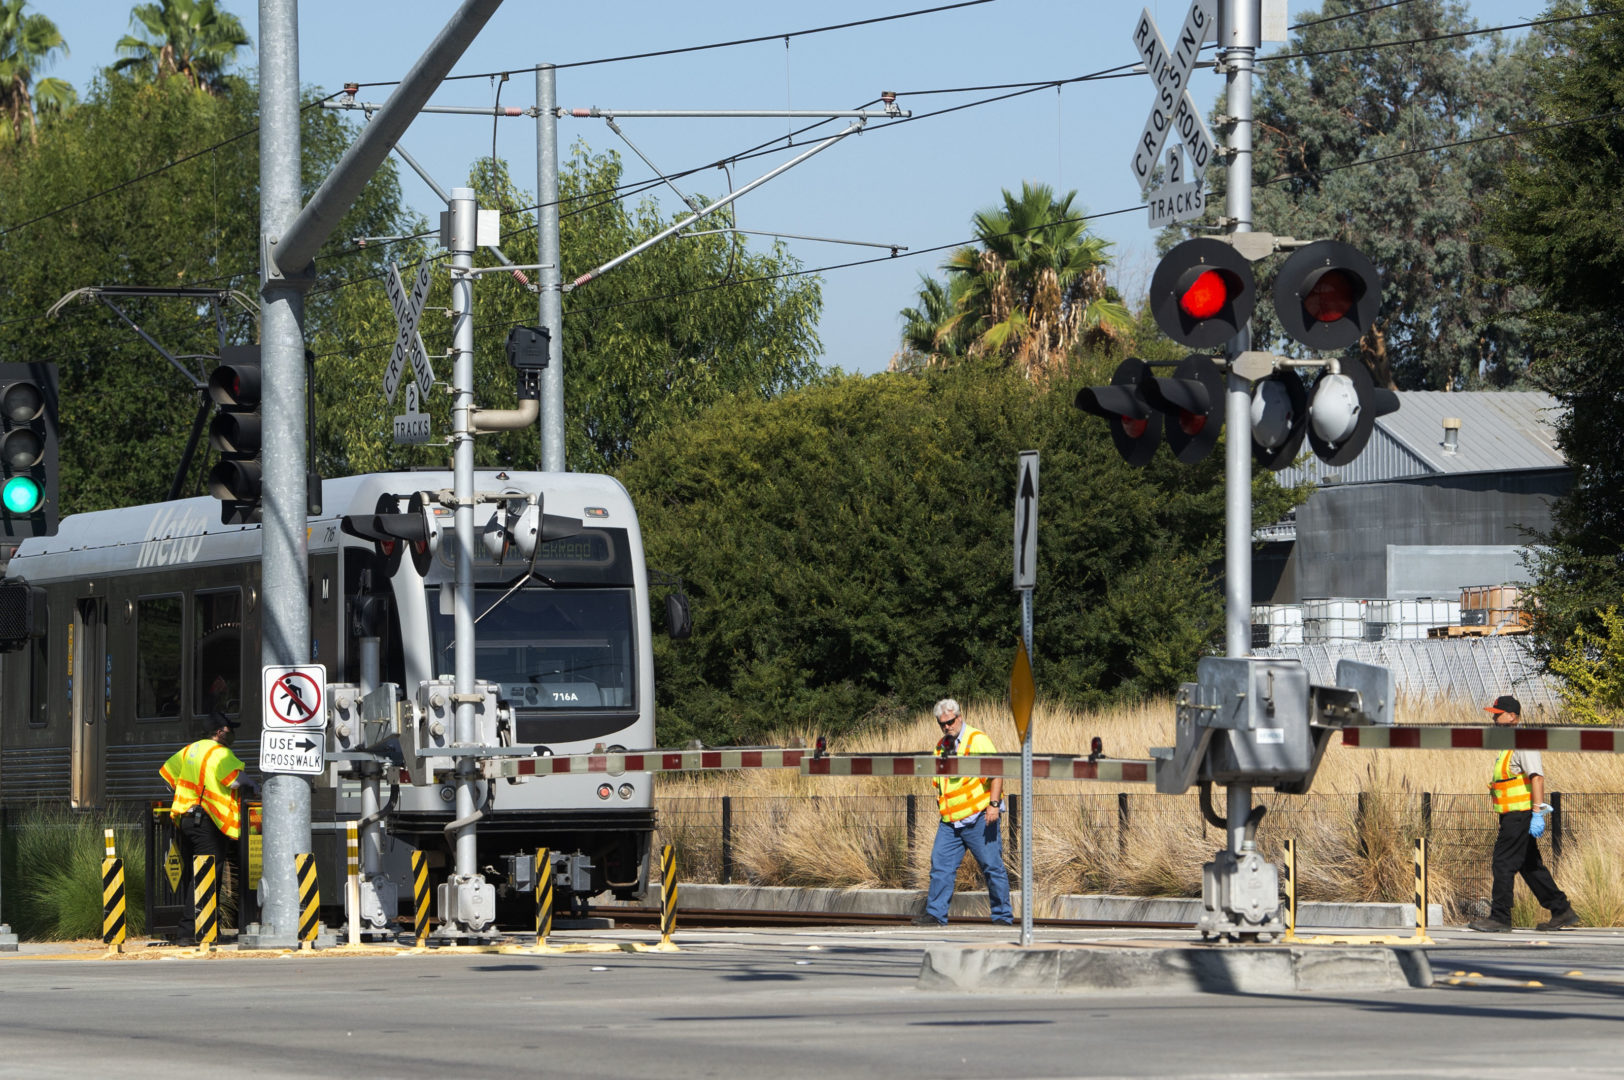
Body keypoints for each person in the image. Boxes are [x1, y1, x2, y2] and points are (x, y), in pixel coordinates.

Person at [1468, 695, 1579, 933]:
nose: (1493, 718)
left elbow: (1536, 777)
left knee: (1503, 862)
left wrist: (1537, 812)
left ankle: (1500, 917)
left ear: (1513, 717)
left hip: (1520, 815)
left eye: (1497, 714)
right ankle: (1561, 910)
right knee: (1530, 865)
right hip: (1512, 814)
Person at [912, 699, 1014, 927]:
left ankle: (1002, 917)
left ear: (959, 717)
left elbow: (997, 771)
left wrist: (994, 805)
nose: (947, 727)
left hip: (980, 818)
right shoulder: (940, 747)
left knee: (992, 867)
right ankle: (936, 915)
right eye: (942, 724)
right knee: (940, 866)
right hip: (950, 822)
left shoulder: (977, 740)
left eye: (949, 722)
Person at [159, 710, 257, 941]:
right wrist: (253, 784)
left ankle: (204, 928)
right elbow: (234, 780)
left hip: (185, 819)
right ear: (220, 732)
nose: (232, 734)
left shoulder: (189, 750)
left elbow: (167, 777)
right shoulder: (221, 753)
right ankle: (192, 931)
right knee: (208, 874)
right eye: (230, 730)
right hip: (208, 822)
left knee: (196, 874)